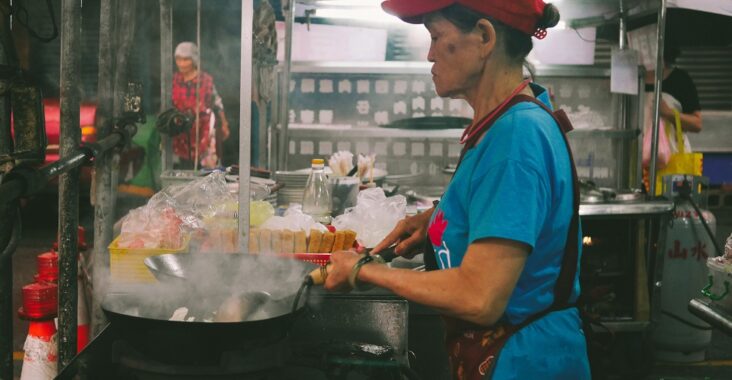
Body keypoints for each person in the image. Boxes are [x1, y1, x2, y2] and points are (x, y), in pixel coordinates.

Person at [324, 1, 591, 379]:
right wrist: (437, 221)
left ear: (484, 37)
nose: (430, 54)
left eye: (436, 37)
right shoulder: (504, 121)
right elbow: (511, 207)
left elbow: (478, 296)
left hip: (525, 362)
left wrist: (363, 269)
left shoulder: (516, 137)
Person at [171, 41, 230, 169]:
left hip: (203, 132)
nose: (181, 63)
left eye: (186, 59)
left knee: (207, 171)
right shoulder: (173, 80)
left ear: (194, 60)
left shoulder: (205, 80)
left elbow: (217, 103)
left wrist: (224, 124)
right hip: (180, 133)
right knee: (183, 169)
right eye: (178, 59)